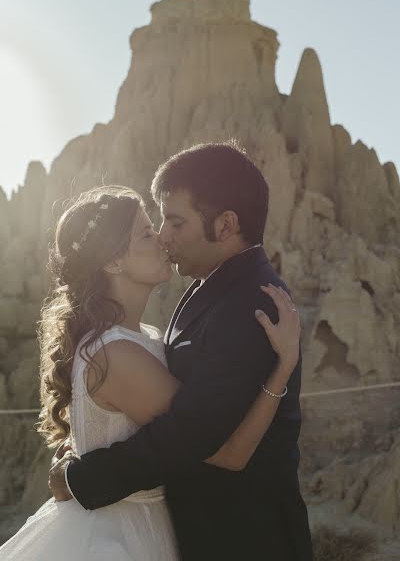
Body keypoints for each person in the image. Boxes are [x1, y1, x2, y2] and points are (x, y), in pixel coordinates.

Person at [0, 177, 303, 560]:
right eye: (146, 232)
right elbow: (228, 453)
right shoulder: (119, 355)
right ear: (113, 261)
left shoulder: (139, 337)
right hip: (121, 536)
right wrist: (282, 368)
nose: (161, 238)